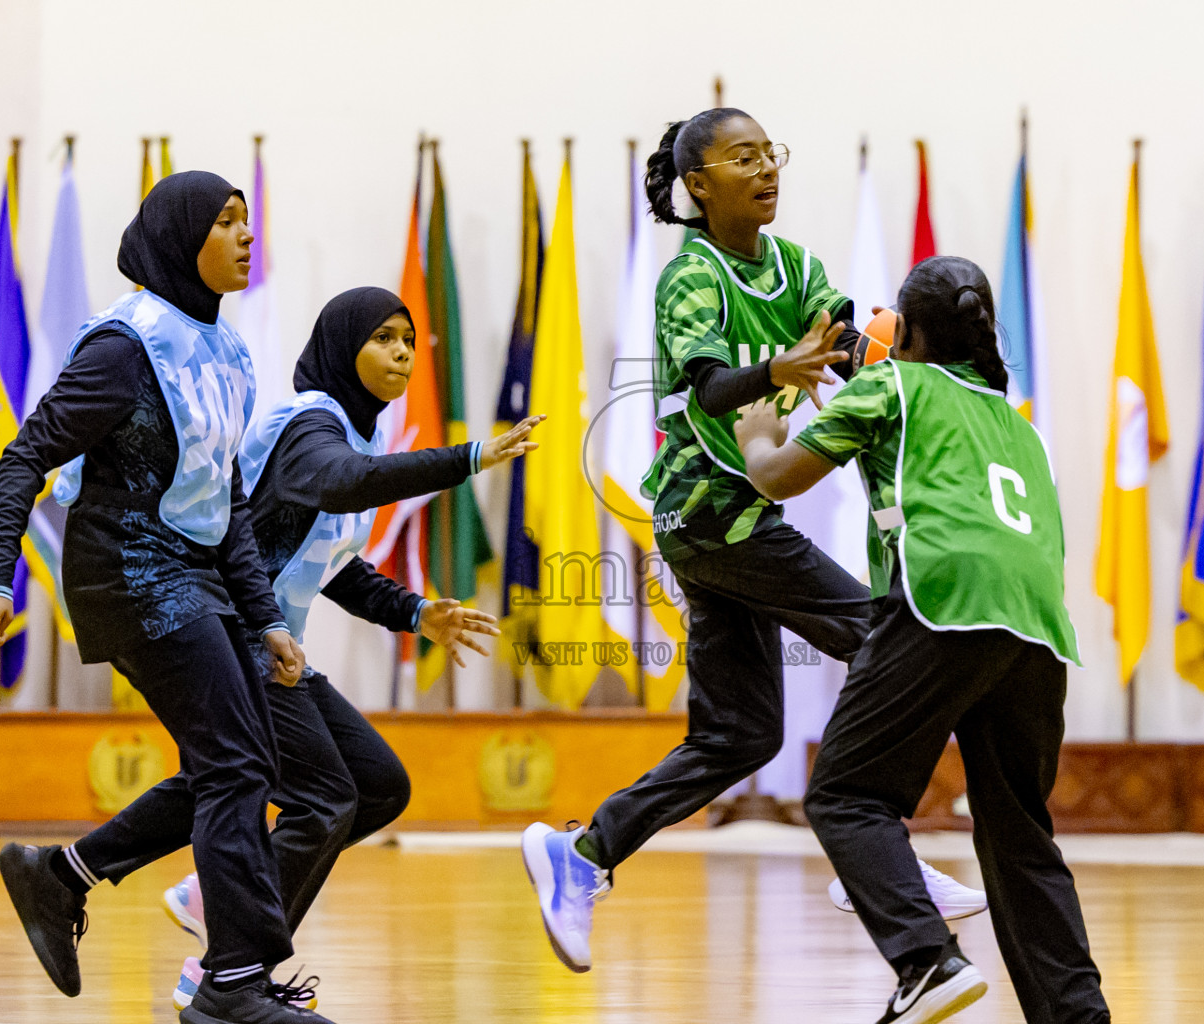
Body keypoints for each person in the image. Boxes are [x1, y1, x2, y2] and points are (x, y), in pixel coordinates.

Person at [521, 109, 983, 975]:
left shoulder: (795, 265)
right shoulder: (689, 277)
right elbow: (712, 387)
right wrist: (780, 370)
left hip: (734, 525)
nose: (766, 168)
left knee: (737, 736)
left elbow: (851, 348)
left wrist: (909, 366)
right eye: (743, 158)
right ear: (699, 185)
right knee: (888, 645)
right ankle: (871, 851)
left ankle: (581, 854)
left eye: (770, 154)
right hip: (707, 512)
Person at [0, 171, 327, 1024]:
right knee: (238, 762)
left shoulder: (230, 352)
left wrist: (267, 617)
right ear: (180, 238)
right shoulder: (125, 345)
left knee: (245, 762)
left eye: (249, 221)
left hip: (198, 573)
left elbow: (228, 502)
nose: (247, 236)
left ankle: (58, 877)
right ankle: (232, 985)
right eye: (226, 222)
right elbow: (23, 457)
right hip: (126, 571)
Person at [736, 256, 1110, 1024]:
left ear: (903, 332)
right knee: (1018, 834)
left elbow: (777, 478)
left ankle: (925, 959)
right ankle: (1078, 1016)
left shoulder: (892, 386)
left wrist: (758, 431)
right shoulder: (1020, 425)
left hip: (947, 597)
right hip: (1037, 622)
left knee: (844, 794)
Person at [157, 285, 542, 1009]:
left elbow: (330, 565)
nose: (401, 352)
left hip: (272, 645)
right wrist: (468, 457)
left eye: (407, 339)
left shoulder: (354, 433)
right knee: (326, 799)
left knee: (378, 787)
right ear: (342, 347)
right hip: (233, 638)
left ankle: (216, 914)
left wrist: (416, 611)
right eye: (382, 338)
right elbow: (348, 487)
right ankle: (227, 967)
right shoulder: (314, 427)